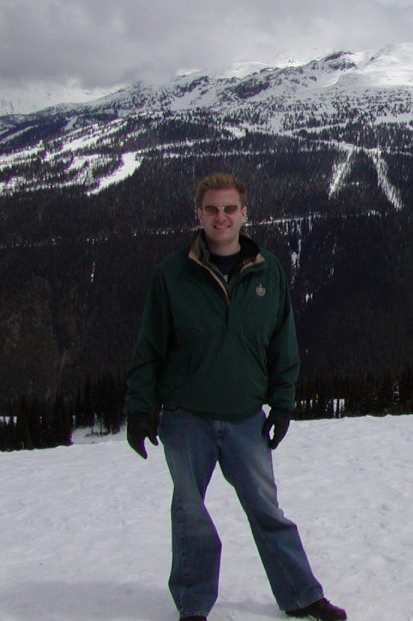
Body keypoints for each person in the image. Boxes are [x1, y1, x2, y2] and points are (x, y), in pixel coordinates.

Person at [125, 172, 347, 621]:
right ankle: (193, 606)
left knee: (268, 511)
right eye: (212, 209)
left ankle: (302, 595)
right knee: (190, 515)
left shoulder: (268, 271)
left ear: (245, 213)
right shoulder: (172, 275)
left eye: (230, 209)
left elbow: (283, 344)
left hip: (246, 417)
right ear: (199, 214)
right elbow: (149, 347)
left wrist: (283, 403)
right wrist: (140, 408)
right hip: (185, 418)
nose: (221, 217)